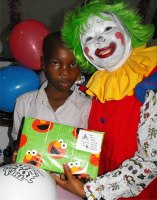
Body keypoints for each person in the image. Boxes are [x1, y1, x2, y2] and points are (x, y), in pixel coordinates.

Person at [53, 0, 157, 199]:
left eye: (108, 28)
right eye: (89, 38)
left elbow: (153, 161)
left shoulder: (154, 79)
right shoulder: (96, 86)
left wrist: (90, 191)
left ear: (128, 29)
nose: (99, 41)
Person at [11, 31, 92, 200]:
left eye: (73, 64)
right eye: (56, 63)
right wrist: (17, 153)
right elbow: (18, 143)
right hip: (30, 189)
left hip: (72, 192)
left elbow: (89, 156)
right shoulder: (24, 103)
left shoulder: (89, 107)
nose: (65, 72)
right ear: (43, 63)